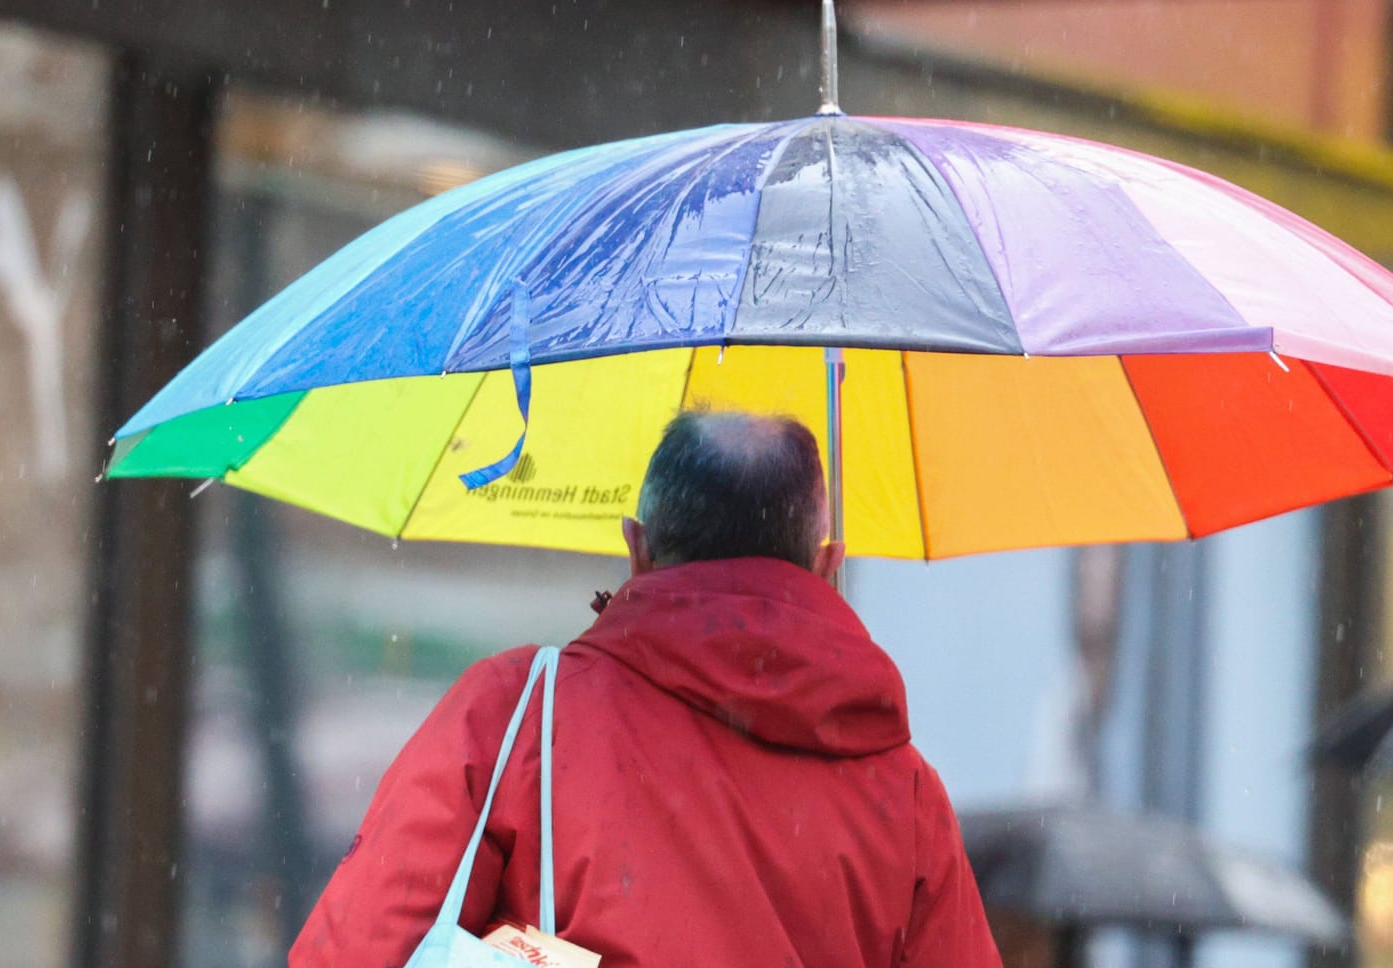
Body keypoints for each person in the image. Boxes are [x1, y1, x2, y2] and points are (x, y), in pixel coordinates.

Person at [290, 411, 1001, 967]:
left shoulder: (517, 717)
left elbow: (360, 951)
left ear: (638, 547)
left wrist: (513, 945)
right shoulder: (904, 796)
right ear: (828, 563)